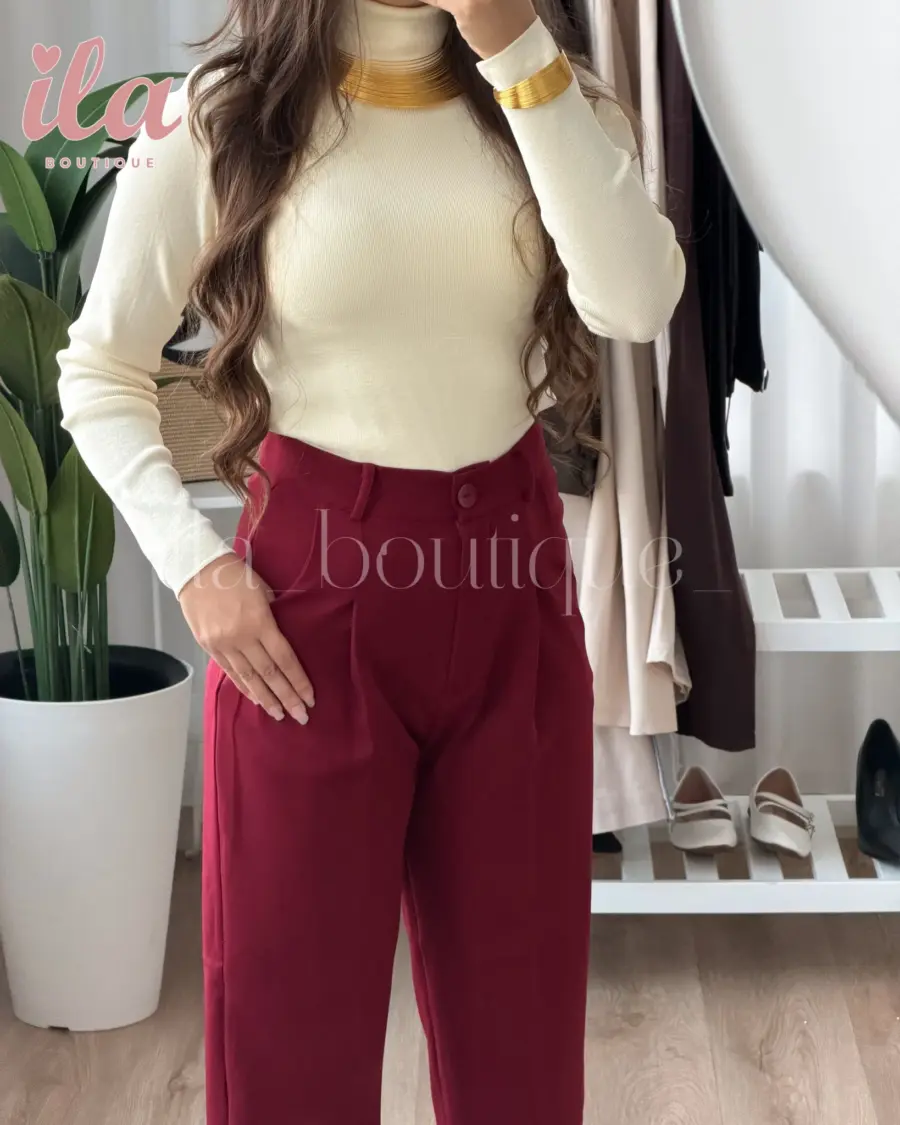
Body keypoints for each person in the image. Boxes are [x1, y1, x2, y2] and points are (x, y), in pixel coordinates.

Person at [56, 0, 685, 1121]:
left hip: (513, 593)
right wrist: (195, 567)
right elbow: (99, 371)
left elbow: (637, 302)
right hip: (306, 616)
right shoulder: (222, 115)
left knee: (523, 1050)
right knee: (288, 1043)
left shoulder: (552, 95)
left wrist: (513, 47)